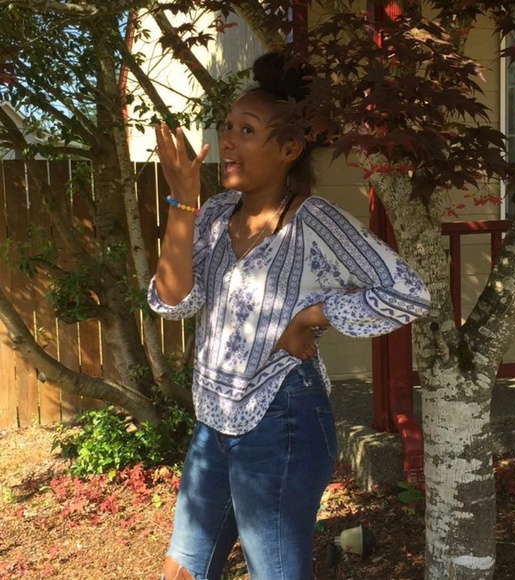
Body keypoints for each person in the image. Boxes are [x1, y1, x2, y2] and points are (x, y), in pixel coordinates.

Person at [149, 51, 430, 580]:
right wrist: (181, 204)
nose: (228, 140)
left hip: (282, 420)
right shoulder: (213, 214)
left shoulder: (315, 221)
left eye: (246, 130)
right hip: (213, 422)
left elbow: (407, 293)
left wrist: (311, 316)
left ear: (288, 149)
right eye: (227, 126)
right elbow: (173, 301)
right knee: (181, 570)